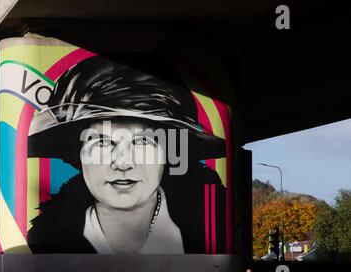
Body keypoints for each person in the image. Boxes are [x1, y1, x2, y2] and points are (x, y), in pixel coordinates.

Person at [27, 54, 226, 254]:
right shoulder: (44, 240)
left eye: (142, 141)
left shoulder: (210, 233)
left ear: (167, 152)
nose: (122, 163)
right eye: (103, 142)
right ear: (78, 153)